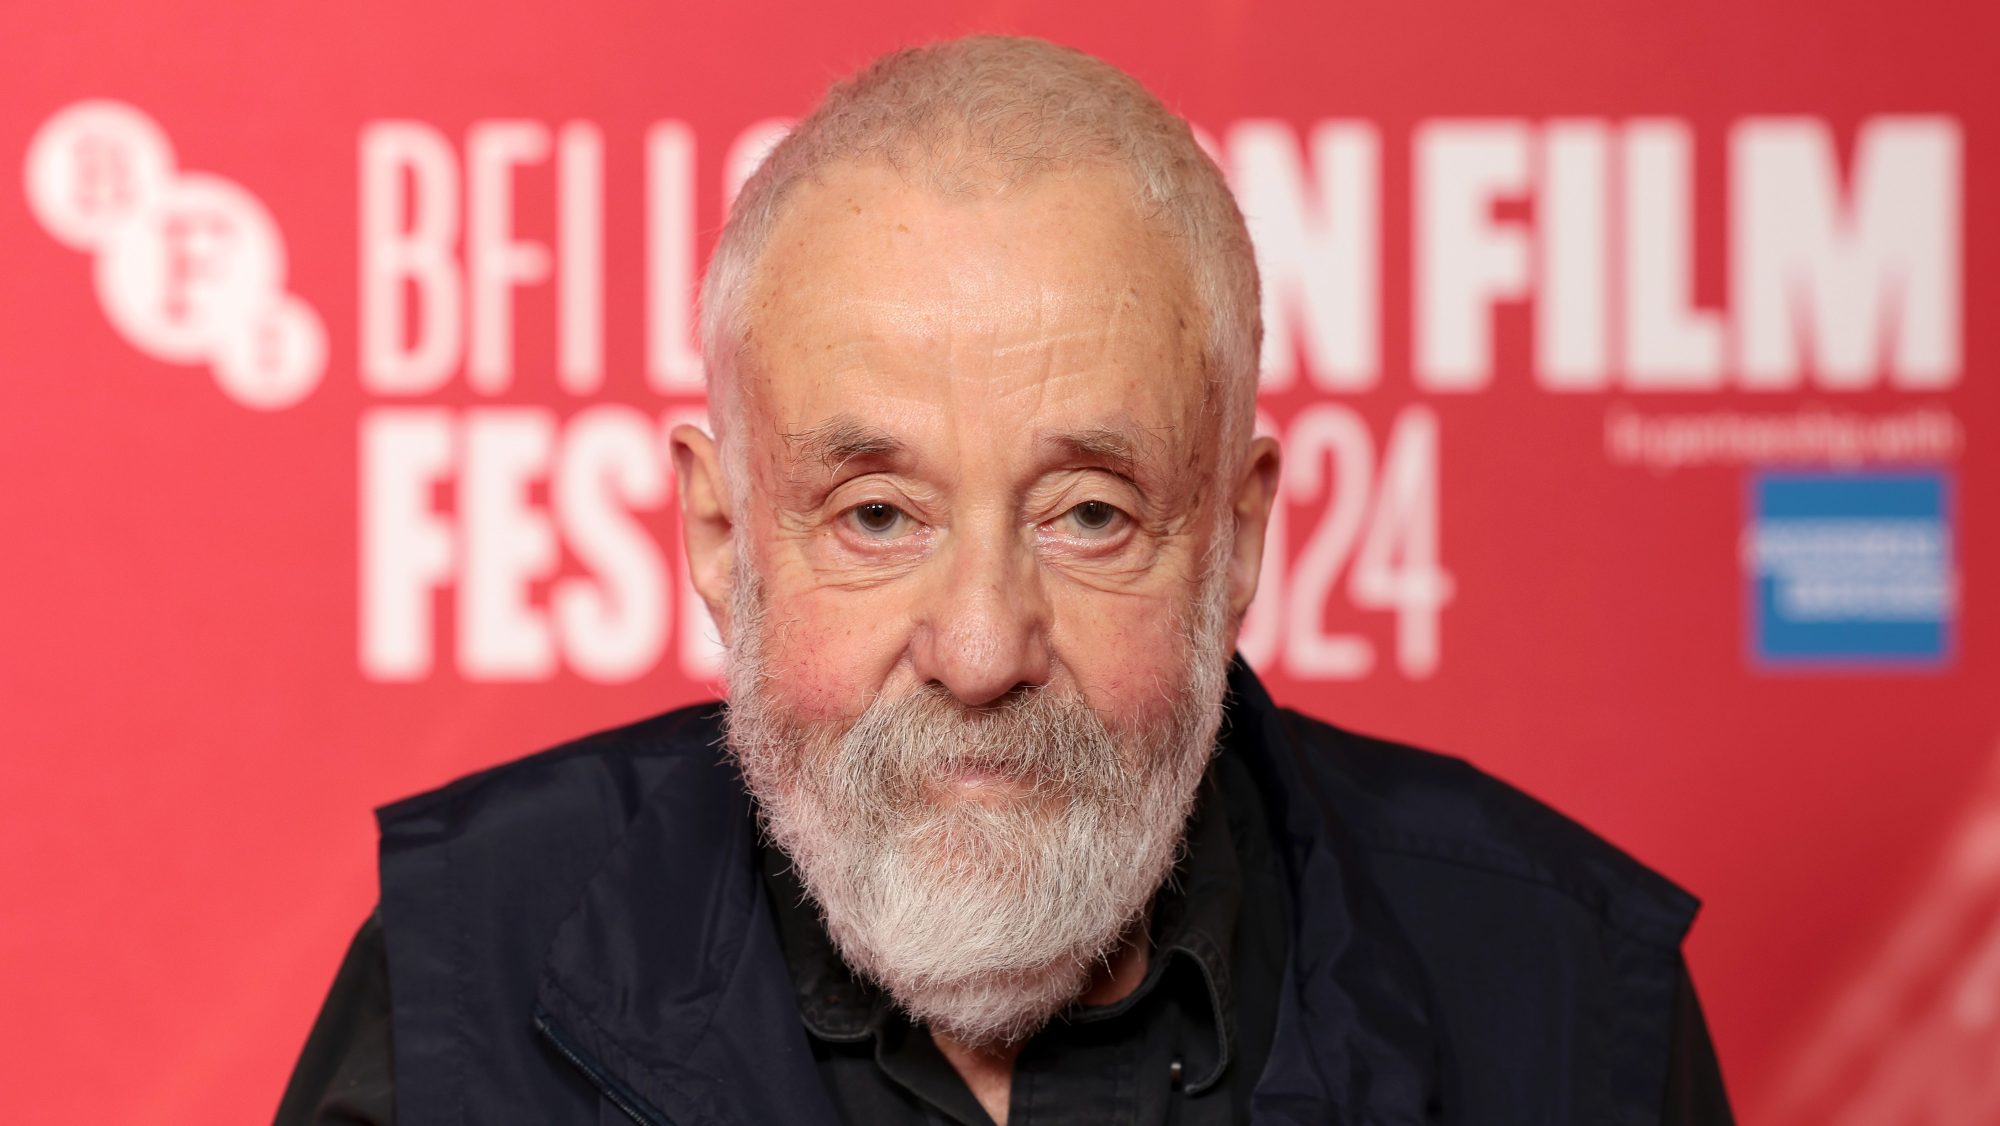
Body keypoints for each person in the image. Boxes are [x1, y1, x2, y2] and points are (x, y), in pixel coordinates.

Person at [280, 34, 1733, 1125]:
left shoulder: (1564, 1008)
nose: (980, 647)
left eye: (1090, 512)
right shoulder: (460, 983)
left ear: (1236, 545)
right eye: (876, 514)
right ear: (722, 539)